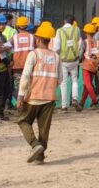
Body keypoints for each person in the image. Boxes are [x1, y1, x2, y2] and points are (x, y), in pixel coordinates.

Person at [17, 22, 64, 165]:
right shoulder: (56, 56)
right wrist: (50, 86)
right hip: (49, 97)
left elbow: (25, 76)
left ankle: (35, 144)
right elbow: (61, 78)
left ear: (37, 39)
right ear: (49, 40)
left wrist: (20, 96)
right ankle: (40, 157)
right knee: (44, 128)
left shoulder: (34, 54)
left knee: (23, 121)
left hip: (33, 97)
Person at [53, 14, 83, 112]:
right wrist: (79, 55)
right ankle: (74, 99)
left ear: (64, 21)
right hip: (74, 59)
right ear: (73, 22)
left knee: (64, 82)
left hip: (63, 60)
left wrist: (55, 57)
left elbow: (57, 47)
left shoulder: (59, 31)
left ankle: (64, 106)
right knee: (74, 80)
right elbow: (80, 43)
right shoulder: (77, 30)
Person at [11, 17, 35, 108]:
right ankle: (28, 105)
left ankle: (20, 105)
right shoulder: (32, 37)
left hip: (18, 67)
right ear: (26, 26)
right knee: (29, 87)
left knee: (19, 87)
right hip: (30, 66)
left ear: (17, 26)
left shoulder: (14, 38)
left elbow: (7, 48)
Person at [79, 23, 99, 110]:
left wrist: (79, 60)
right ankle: (81, 104)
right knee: (86, 86)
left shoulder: (84, 42)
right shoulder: (96, 42)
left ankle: (95, 102)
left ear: (86, 33)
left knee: (88, 85)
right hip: (94, 66)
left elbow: (81, 53)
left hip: (86, 65)